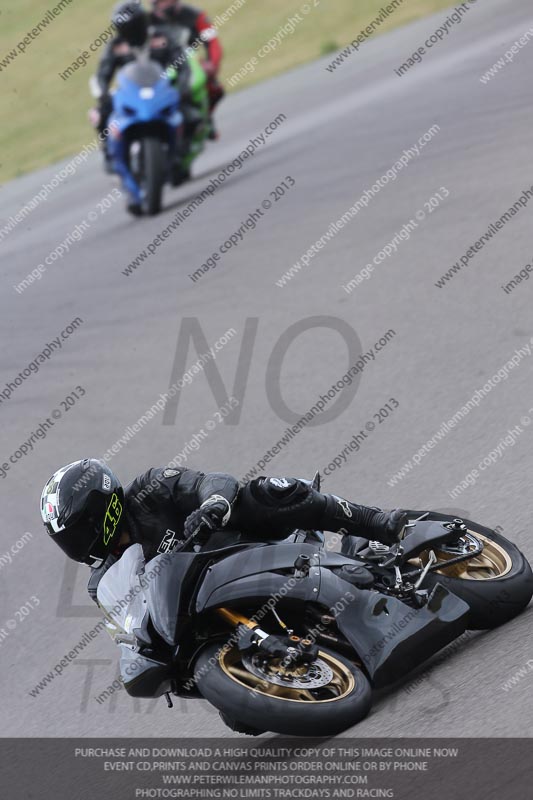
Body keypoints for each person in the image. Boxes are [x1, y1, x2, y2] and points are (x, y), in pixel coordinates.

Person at [39, 459, 408, 603]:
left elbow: (210, 481)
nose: (77, 544)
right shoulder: (102, 580)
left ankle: (372, 521)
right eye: (65, 539)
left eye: (77, 530)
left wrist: (212, 506)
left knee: (265, 493)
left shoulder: (150, 490)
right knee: (238, 717)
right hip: (212, 599)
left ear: (102, 508)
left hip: (252, 543)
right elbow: (131, 624)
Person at [149, 0, 224, 138]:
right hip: (160, 68)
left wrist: (212, 65)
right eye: (161, 2)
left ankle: (206, 118)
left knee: (215, 90)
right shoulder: (147, 23)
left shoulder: (196, 15)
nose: (165, 4)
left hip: (190, 64)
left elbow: (213, 43)